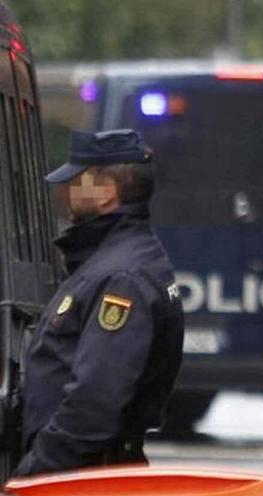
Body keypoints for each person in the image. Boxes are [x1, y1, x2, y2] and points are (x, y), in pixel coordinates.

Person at [14, 129, 184, 476]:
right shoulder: (113, 261)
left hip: (80, 480)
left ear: (107, 192)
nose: (66, 192)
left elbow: (93, 403)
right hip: (83, 474)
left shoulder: (120, 278)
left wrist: (33, 474)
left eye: (78, 181)